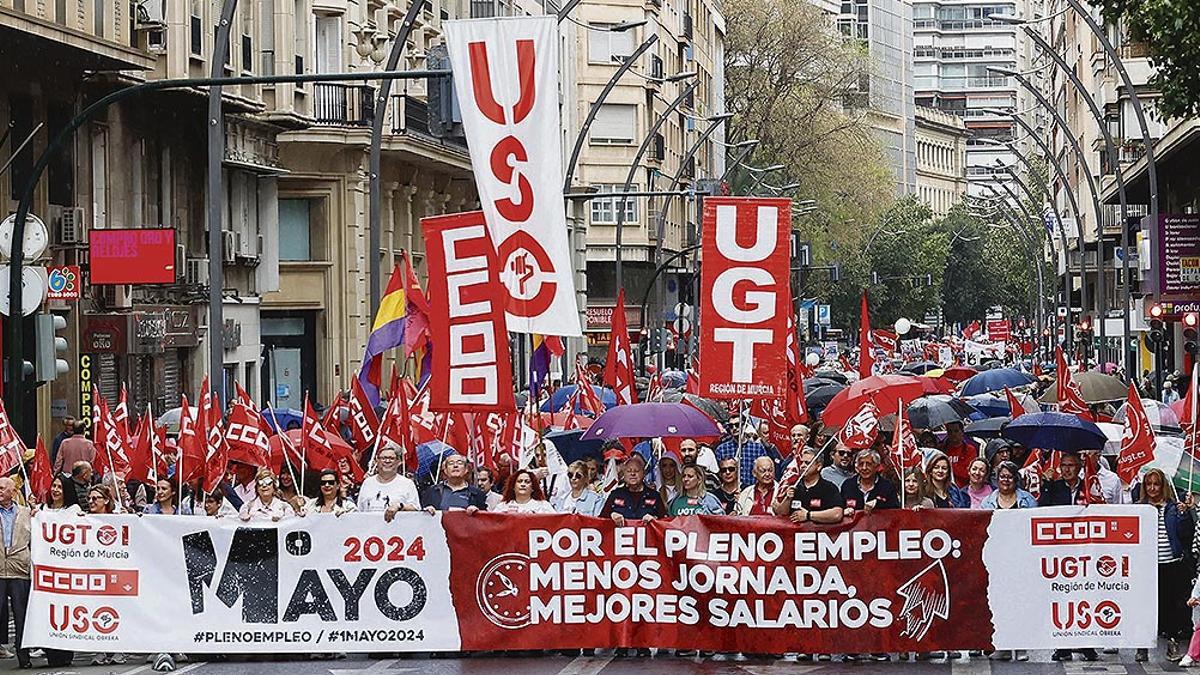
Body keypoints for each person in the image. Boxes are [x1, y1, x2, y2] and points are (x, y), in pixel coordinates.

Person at [1134, 468, 1194, 662]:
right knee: (1144, 608)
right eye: (1148, 484)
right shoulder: (1138, 507)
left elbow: (1186, 535)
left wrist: (1184, 514)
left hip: (1172, 564)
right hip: (1147, 567)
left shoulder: (1173, 507)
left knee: (1172, 608)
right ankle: (1142, 647)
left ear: (1163, 486)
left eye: (1156, 484)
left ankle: (1172, 643)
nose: (1152, 488)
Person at [83, 485, 126, 665]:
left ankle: (119, 650)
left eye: (96, 498)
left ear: (106, 501)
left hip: (115, 573)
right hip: (93, 573)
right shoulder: (82, 519)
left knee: (117, 611)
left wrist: (129, 518)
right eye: (89, 499)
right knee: (95, 610)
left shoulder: (118, 519)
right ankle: (99, 650)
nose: (91, 502)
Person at [0, 478, 32, 669]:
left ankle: (24, 655)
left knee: (21, 615)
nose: (0, 491)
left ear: (13, 491)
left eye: (3, 488)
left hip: (19, 570)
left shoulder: (27, 513)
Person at [773, 447, 844, 524]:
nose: (802, 466)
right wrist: (788, 499)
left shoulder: (829, 488)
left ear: (819, 466)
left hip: (819, 534)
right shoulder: (793, 486)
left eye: (807, 463)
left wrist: (808, 515)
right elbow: (781, 514)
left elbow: (837, 514)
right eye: (801, 462)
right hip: (795, 534)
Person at [599, 455, 666, 526]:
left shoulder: (655, 496)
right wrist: (611, 515)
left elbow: (665, 523)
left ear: (643, 473)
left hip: (647, 536)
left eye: (636, 471)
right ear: (624, 474)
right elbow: (600, 522)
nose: (633, 474)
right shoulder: (615, 495)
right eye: (629, 471)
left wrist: (655, 520)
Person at [357, 447, 421, 521]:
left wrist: (399, 506)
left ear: (398, 462)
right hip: (370, 530)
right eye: (383, 458)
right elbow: (360, 511)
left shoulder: (407, 484)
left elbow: (416, 509)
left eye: (391, 458)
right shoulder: (367, 483)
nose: (387, 461)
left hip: (397, 530)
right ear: (377, 461)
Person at [421, 454, 488, 512]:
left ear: (466, 469)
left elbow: (484, 520)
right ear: (445, 470)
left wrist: (477, 512)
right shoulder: (432, 491)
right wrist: (427, 511)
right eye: (451, 463)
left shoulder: (477, 494)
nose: (455, 465)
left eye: (459, 463)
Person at [840, 449, 899, 515]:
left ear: (877, 467)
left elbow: (895, 512)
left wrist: (878, 503)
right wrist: (844, 511)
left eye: (868, 464)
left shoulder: (887, 486)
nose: (864, 468)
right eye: (861, 464)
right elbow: (839, 508)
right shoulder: (847, 485)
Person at [939, 420, 979, 486]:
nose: (953, 434)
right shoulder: (941, 449)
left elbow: (967, 473)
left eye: (956, 431)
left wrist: (948, 467)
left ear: (962, 432)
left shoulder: (970, 450)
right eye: (950, 432)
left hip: (963, 489)